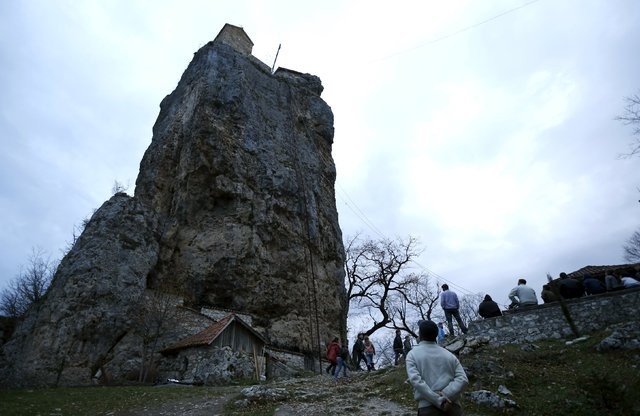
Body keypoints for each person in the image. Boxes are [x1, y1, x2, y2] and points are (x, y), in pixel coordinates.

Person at [406, 320, 468, 415]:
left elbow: (416, 381)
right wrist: (445, 394)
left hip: (428, 409)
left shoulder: (412, 354)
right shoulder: (449, 354)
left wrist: (438, 399)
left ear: (420, 335)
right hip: (453, 407)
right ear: (436, 335)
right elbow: (463, 379)